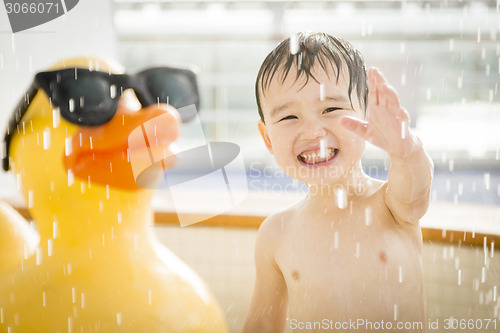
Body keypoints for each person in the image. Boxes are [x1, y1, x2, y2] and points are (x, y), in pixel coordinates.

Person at [243, 32, 433, 332]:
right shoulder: (276, 233)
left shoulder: (392, 204)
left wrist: (406, 149)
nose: (312, 132)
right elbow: (262, 325)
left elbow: (417, 187)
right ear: (267, 138)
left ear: (367, 118)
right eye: (289, 117)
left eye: (330, 109)